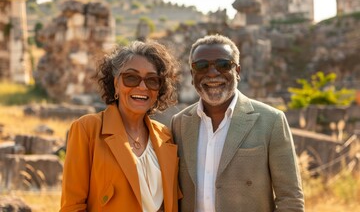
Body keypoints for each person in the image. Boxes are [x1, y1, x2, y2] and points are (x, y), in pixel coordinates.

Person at [171, 34, 304, 212]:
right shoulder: (179, 124)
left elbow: (290, 199)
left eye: (223, 65)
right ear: (192, 74)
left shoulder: (271, 121)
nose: (212, 73)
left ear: (238, 72)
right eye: (201, 66)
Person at [61, 40, 182, 212]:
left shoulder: (166, 135)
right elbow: (72, 207)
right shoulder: (87, 129)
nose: (142, 87)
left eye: (152, 80)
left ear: (159, 89)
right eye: (131, 78)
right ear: (116, 83)